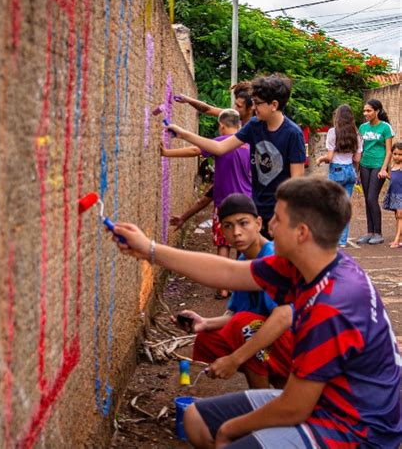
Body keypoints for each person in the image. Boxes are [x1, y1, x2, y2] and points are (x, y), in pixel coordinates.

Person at [112, 177, 401, 448]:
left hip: (356, 427)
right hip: (325, 400)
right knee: (196, 420)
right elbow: (228, 272)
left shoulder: (332, 305)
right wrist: (149, 249)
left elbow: (294, 408)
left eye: (277, 218)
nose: (270, 227)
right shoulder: (306, 263)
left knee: (228, 432)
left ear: (301, 233)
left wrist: (231, 429)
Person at [175, 193, 294, 389]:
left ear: (258, 223)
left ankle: (261, 402)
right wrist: (204, 323)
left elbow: (283, 317)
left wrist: (235, 359)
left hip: (298, 345)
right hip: (269, 342)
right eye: (228, 226)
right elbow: (236, 314)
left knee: (246, 327)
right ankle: (275, 389)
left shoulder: (273, 257)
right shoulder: (242, 262)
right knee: (209, 339)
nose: (236, 232)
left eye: (243, 223)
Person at [167, 74, 306, 239]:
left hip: (280, 214)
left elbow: (297, 183)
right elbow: (219, 147)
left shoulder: (293, 134)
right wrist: (183, 134)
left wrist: (283, 216)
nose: (254, 107)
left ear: (274, 105)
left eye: (258, 103)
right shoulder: (255, 126)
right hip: (255, 210)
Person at [162, 109, 252, 299]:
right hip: (248, 202)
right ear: (240, 124)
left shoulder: (220, 142)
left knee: (223, 243)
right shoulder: (249, 144)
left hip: (225, 204)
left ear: (221, 125)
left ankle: (223, 288)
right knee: (244, 243)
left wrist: (166, 153)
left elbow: (196, 150)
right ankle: (243, 284)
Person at [316, 104, 362, 247]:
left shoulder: (332, 132)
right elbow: (357, 159)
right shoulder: (357, 134)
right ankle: (342, 241)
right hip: (350, 172)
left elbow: (329, 157)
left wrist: (320, 159)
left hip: (336, 171)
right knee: (344, 207)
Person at [357, 99, 394, 245]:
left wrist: (384, 168)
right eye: (364, 111)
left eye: (369, 111)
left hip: (379, 166)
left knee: (372, 198)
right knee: (367, 199)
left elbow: (389, 151)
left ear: (377, 111)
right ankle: (370, 232)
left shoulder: (385, 128)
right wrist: (358, 170)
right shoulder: (362, 128)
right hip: (365, 165)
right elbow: (361, 149)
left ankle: (378, 233)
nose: (365, 113)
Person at [175, 81, 254, 127]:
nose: (234, 108)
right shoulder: (234, 116)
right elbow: (208, 109)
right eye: (235, 104)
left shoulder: (258, 127)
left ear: (251, 108)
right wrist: (188, 100)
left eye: (239, 106)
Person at [383, 142, 402, 248]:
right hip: (393, 194)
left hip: (401, 195)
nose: (397, 157)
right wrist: (387, 176)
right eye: (395, 154)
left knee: (400, 216)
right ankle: (399, 239)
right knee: (397, 216)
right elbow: (394, 179)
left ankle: (396, 239)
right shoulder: (393, 165)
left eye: (400, 154)